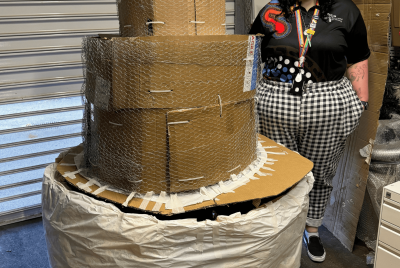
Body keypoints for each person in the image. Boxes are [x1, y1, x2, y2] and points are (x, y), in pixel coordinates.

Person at [249, 0, 370, 263]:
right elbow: (251, 53)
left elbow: (359, 58)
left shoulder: (345, 11)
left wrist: (360, 103)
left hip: (327, 100)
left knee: (321, 171)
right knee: (277, 172)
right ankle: (279, 229)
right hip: (276, 102)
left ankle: (312, 230)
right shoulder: (273, 10)